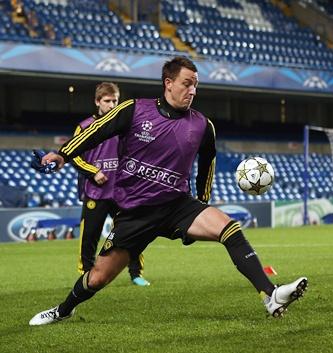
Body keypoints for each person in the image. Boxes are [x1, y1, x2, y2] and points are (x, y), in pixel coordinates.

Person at [29, 56, 308, 326]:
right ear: (168, 83)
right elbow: (97, 131)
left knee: (229, 228)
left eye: (196, 85)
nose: (193, 90)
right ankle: (62, 311)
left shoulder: (202, 125)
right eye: (187, 83)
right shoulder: (134, 109)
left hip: (177, 206)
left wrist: (202, 200)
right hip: (135, 213)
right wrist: (63, 155)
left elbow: (207, 162)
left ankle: (271, 294)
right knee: (98, 278)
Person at [70, 82, 150, 286]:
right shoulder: (85, 126)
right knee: (89, 237)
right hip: (96, 192)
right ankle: (86, 274)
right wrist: (93, 172)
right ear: (98, 102)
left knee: (133, 233)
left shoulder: (125, 127)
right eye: (107, 101)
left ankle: (136, 273)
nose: (112, 105)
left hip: (122, 193)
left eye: (115, 100)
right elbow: (74, 156)